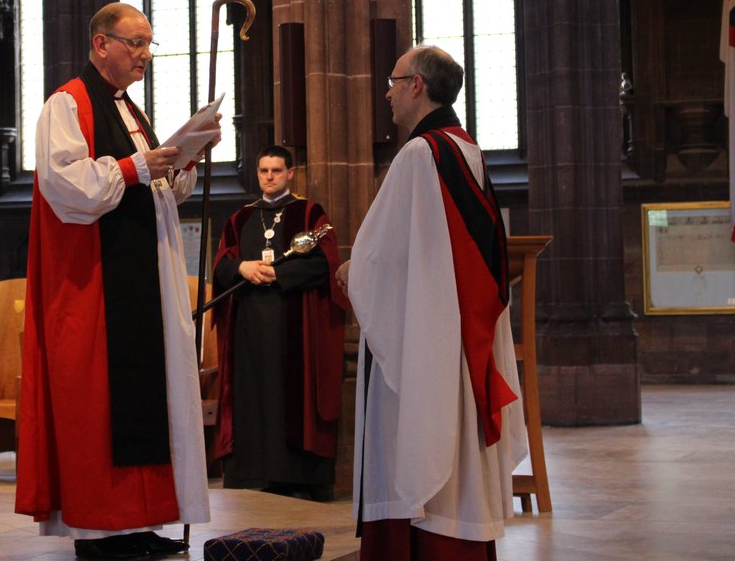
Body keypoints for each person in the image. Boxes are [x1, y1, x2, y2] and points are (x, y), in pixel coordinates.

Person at [17, 3, 214, 560]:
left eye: (150, 44)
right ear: (101, 44)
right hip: (97, 283)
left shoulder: (129, 110)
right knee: (102, 402)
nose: (145, 54)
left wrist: (182, 164)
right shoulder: (68, 103)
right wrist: (138, 168)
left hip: (143, 276)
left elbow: (157, 193)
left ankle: (140, 521)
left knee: (150, 398)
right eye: (136, 43)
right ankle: (102, 530)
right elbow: (67, 186)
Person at [336, 45, 527, 560]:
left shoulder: (421, 154)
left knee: (419, 451)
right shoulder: (465, 148)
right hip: (460, 337)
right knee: (456, 454)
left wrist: (351, 273)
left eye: (394, 80)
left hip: (426, 342)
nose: (387, 92)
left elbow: (386, 260)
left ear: (417, 85)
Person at [210, 145, 346, 500]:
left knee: (293, 395)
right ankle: (255, 472)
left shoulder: (308, 213)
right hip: (249, 331)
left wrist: (276, 274)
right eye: (263, 171)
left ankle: (299, 477)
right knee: (254, 395)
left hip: (295, 325)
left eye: (276, 170)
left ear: (290, 173)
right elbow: (222, 264)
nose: (269, 177)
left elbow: (324, 264)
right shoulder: (240, 219)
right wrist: (241, 267)